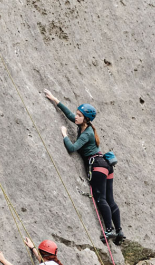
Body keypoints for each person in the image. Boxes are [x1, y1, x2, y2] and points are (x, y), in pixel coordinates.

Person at [43, 89, 124, 244]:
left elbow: (72, 148)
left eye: (79, 115)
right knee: (110, 199)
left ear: (85, 119)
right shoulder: (85, 126)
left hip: (97, 166)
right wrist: (54, 99)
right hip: (105, 165)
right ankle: (119, 230)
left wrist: (64, 135)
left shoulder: (87, 133)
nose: (76, 116)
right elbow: (69, 115)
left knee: (101, 199)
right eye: (77, 113)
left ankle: (109, 230)